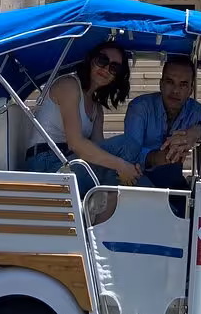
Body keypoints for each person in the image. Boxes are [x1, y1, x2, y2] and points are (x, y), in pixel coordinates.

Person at [24, 41, 145, 198]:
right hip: (45, 166)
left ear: (117, 77)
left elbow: (99, 151)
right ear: (91, 60)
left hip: (68, 163)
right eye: (102, 60)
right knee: (127, 146)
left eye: (115, 68)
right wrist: (122, 166)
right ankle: (103, 210)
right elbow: (76, 143)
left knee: (125, 159)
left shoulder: (97, 109)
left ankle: (104, 206)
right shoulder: (69, 85)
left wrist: (126, 168)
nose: (106, 69)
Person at [124, 55, 201, 193]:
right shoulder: (140, 107)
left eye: (183, 84)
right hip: (136, 178)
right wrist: (156, 157)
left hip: (172, 181)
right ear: (161, 84)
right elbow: (129, 153)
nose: (175, 91)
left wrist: (198, 130)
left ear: (191, 89)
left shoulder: (193, 110)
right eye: (170, 82)